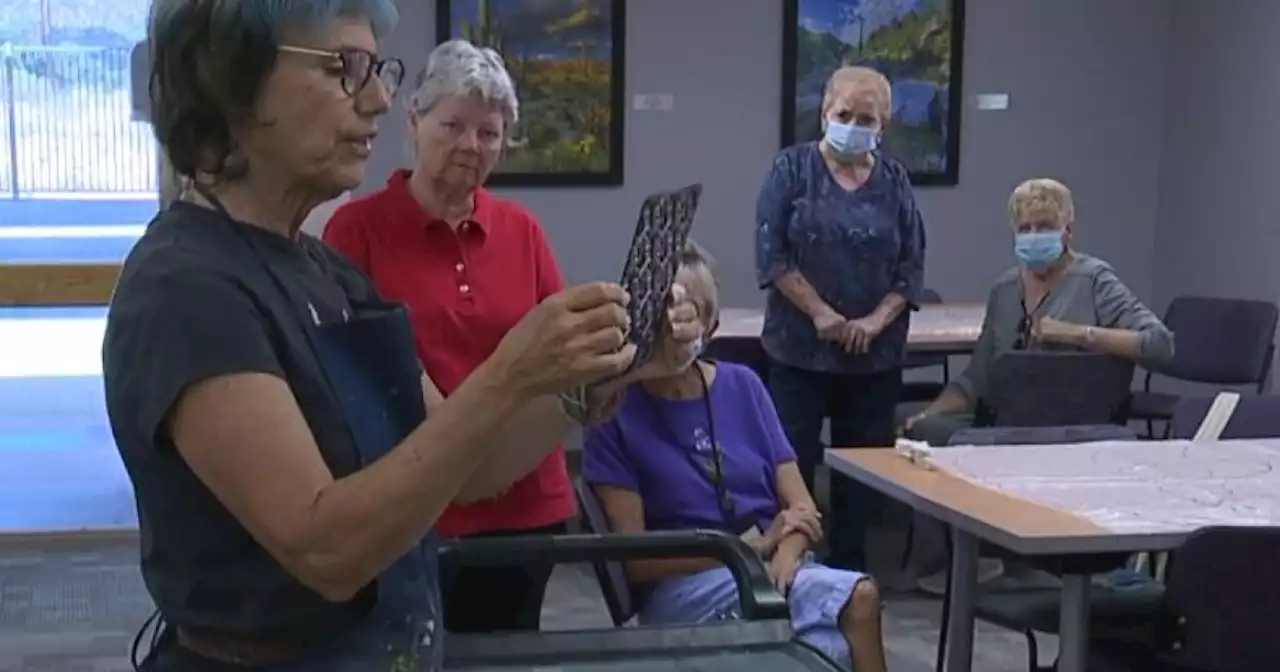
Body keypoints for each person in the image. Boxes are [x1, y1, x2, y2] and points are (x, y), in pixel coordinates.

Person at [104, 3, 698, 670]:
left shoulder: (325, 272)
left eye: (377, 70)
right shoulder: (188, 286)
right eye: (345, 69)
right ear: (232, 81)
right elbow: (326, 551)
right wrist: (510, 373)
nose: (382, 100)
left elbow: (468, 469)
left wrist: (605, 373)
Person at [322, 39, 575, 634]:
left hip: (528, 503)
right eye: (454, 125)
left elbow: (559, 356)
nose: (471, 146)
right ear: (414, 122)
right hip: (419, 507)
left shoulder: (522, 231)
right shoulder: (355, 231)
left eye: (489, 133)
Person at [583, 241, 889, 672]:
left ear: (712, 324)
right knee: (859, 599)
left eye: (689, 316)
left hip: (770, 569)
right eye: (663, 316)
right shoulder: (614, 410)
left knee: (833, 652)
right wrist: (753, 549)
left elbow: (802, 507)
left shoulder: (743, 386)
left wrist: (786, 551)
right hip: (684, 587)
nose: (674, 331)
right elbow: (635, 561)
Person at [902, 177, 1175, 592]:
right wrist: (928, 414)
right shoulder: (1005, 289)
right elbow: (977, 376)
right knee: (924, 437)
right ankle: (949, 568)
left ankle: (1015, 558)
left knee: (961, 445)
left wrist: (1078, 334)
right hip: (1005, 416)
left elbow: (1160, 345)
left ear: (1068, 229)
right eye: (1025, 228)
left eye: (1044, 225)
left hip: (1069, 420)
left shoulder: (1094, 280)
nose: (1034, 236)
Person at [755, 65, 926, 571]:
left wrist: (875, 321)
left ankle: (852, 577)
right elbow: (772, 257)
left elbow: (911, 265)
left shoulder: (894, 181)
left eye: (866, 117)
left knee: (861, 477)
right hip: (799, 350)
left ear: (884, 124)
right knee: (794, 465)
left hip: (874, 357)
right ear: (825, 113)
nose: (853, 123)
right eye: (844, 113)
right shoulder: (791, 170)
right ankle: (792, 569)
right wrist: (821, 314)